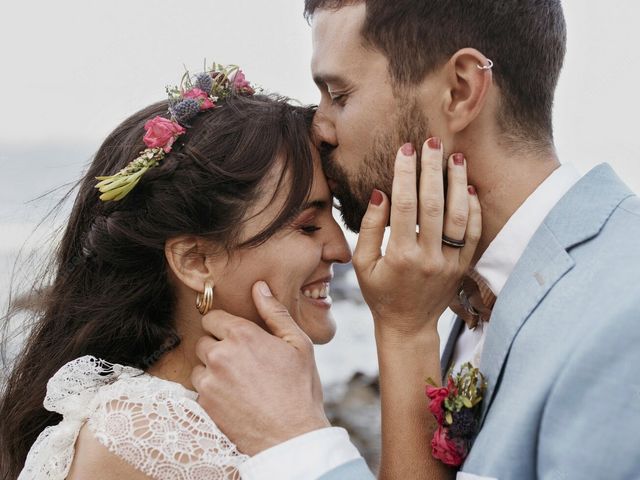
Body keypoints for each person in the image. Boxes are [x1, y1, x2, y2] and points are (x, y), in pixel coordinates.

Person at [190, 2, 640, 480]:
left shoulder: (623, 319)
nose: (318, 128)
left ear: (460, 91)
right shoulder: (470, 295)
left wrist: (298, 444)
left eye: (339, 95)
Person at [0, 65, 367, 479]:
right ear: (196, 261)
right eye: (307, 226)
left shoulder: (187, 419)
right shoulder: (150, 436)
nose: (341, 251)